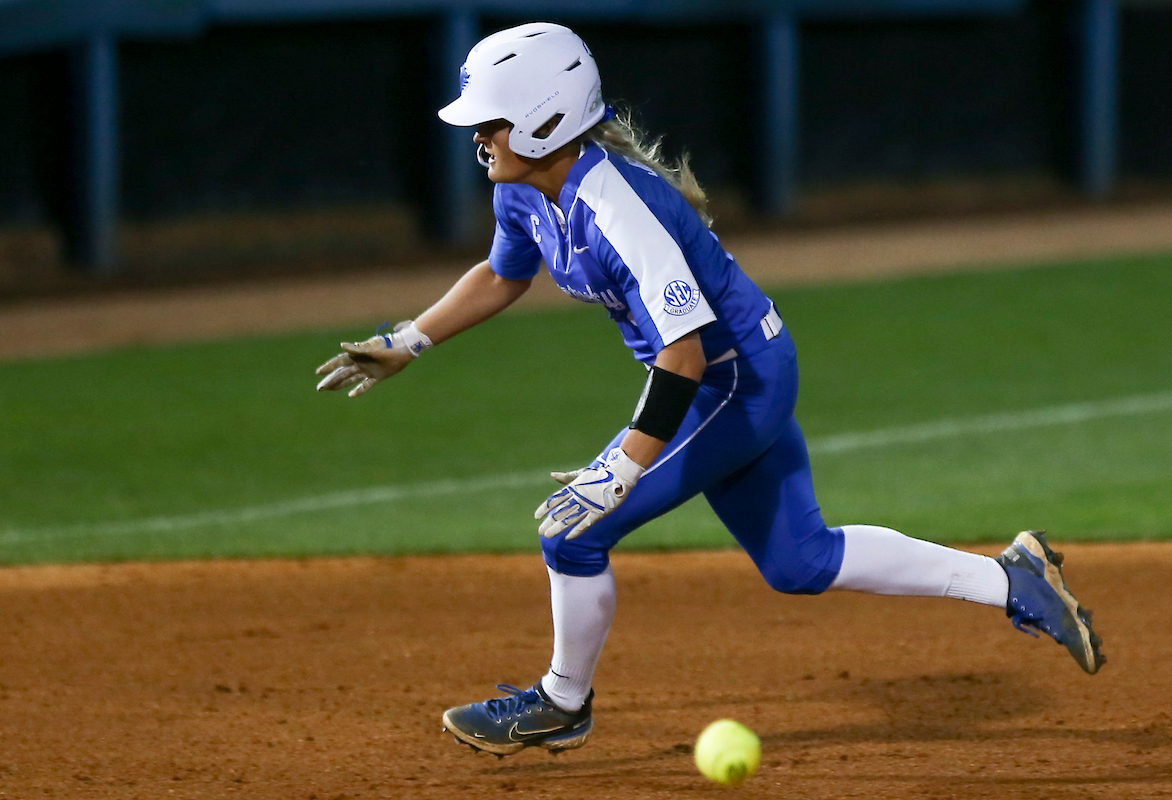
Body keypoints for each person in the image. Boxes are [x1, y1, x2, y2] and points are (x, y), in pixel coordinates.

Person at [315, 22, 1104, 758]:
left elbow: (684, 355)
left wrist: (624, 464)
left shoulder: (619, 207)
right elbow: (501, 272)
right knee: (799, 561)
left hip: (735, 381)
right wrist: (409, 340)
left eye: (492, 122)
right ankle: (1013, 579)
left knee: (572, 533)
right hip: (724, 373)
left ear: (545, 123)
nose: (479, 138)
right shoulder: (522, 190)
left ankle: (562, 703)